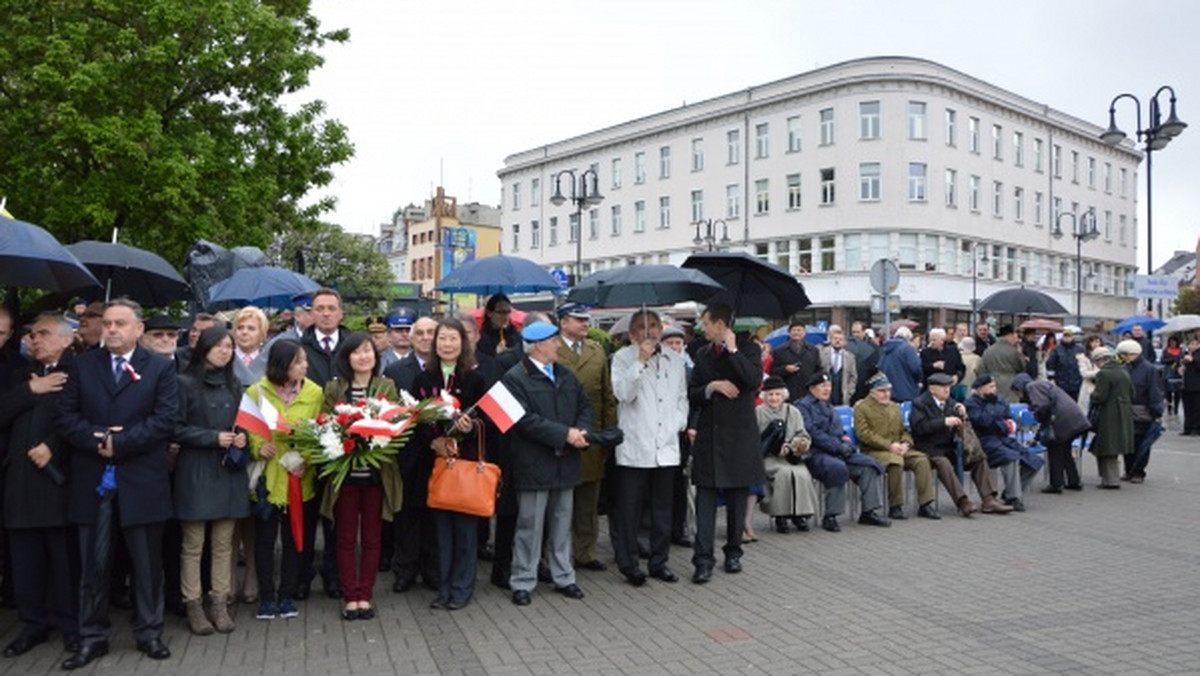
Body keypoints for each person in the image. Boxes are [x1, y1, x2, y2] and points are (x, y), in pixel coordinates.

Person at [57, 299, 179, 668]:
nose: (111, 329)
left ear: (138, 330)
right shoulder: (82, 366)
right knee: (93, 563)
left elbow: (165, 419)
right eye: (107, 323)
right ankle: (92, 636)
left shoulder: (159, 369)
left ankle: (149, 632)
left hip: (142, 480)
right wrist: (98, 439)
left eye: (120, 323)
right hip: (92, 479)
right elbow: (65, 417)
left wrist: (120, 443)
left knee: (146, 564)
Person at [0, 314, 78, 657]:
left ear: (66, 339)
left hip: (58, 484)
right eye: (31, 335)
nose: (35, 339)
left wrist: (54, 447)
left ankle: (71, 627)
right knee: (24, 562)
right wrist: (30, 390)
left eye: (43, 334)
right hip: (19, 482)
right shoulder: (20, 375)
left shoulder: (80, 373)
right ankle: (32, 626)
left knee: (63, 562)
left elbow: (84, 418)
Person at [503, 322, 592, 606]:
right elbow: (522, 421)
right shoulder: (514, 378)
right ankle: (522, 581)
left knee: (562, 522)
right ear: (539, 345)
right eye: (554, 340)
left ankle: (564, 576)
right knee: (529, 524)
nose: (558, 345)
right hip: (533, 463)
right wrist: (565, 434)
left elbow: (585, 406)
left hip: (565, 461)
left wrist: (582, 430)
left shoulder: (565, 374)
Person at [318, 334, 402, 620]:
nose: (363, 356)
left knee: (371, 539)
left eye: (368, 350)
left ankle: (365, 595)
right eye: (356, 352)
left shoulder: (386, 386)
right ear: (346, 358)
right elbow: (323, 426)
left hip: (376, 477)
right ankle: (349, 596)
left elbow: (396, 424)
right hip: (344, 477)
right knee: (343, 539)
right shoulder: (335, 389)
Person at [172, 326, 249, 635]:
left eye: (229, 346)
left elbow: (244, 423)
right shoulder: (184, 383)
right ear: (203, 348)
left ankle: (220, 601)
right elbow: (174, 428)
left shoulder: (235, 384)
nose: (225, 350)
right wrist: (213, 438)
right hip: (196, 470)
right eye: (218, 345)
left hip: (228, 472)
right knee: (193, 544)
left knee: (223, 544)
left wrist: (241, 438)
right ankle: (192, 603)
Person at [410, 320, 486, 611]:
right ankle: (443, 588)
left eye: (453, 338)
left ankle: (462, 588)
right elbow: (414, 420)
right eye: (442, 338)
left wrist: (467, 429)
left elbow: (486, 422)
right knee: (440, 531)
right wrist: (434, 441)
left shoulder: (475, 379)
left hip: (465, 465)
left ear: (463, 343)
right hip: (437, 465)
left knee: (465, 530)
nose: (447, 344)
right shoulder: (423, 379)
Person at [610, 310, 687, 586]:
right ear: (632, 335)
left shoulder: (675, 360)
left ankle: (659, 562)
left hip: (666, 447)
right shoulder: (622, 359)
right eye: (642, 328)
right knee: (630, 510)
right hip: (635, 447)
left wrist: (676, 424)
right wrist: (640, 362)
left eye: (654, 326)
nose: (649, 332)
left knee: (663, 510)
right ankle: (629, 564)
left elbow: (681, 399)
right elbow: (623, 394)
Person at [246, 340, 321, 621]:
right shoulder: (257, 391)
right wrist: (257, 447)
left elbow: (319, 433)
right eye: (299, 361)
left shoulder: (314, 392)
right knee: (265, 542)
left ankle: (286, 595)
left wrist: (306, 460)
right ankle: (267, 597)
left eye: (304, 360)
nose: (305, 365)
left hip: (298, 477)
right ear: (283, 364)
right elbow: (248, 428)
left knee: (294, 541)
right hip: (267, 478)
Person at [688, 304, 763, 583]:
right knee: (705, 500)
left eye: (705, 323)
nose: (702, 328)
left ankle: (733, 552)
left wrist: (733, 351)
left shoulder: (749, 348)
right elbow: (692, 393)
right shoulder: (703, 353)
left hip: (739, 437)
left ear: (720, 324)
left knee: (736, 500)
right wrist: (711, 387)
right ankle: (703, 559)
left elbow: (754, 380)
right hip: (710, 435)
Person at [554, 304, 616, 573]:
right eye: (579, 320)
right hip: (560, 436)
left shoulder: (596, 350)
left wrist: (608, 436)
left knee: (588, 501)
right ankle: (556, 553)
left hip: (592, 436)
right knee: (559, 501)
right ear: (563, 322)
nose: (584, 324)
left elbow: (607, 396)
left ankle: (585, 552)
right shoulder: (551, 349)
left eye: (586, 320)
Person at [297, 288, 349, 599]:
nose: (326, 313)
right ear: (311, 314)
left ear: (341, 313)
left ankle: (334, 574)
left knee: (336, 517)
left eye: (332, 308)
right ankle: (302, 575)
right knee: (306, 512)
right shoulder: (297, 347)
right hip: (307, 443)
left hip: (343, 445)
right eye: (320, 308)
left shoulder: (352, 344)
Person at [384, 315, 441, 593]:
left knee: (432, 516)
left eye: (431, 332)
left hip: (437, 455)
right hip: (407, 455)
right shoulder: (396, 371)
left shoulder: (445, 370)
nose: (425, 337)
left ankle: (431, 570)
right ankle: (405, 569)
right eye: (420, 332)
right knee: (406, 516)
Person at [796, 372, 890, 531]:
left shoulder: (828, 406)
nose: (827, 389)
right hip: (817, 453)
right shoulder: (802, 407)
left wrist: (846, 442)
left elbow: (840, 431)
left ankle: (868, 511)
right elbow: (812, 433)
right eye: (822, 386)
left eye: (829, 386)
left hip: (838, 451)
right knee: (837, 468)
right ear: (812, 388)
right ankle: (831, 516)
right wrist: (837, 446)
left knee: (869, 466)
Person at [910, 373, 1013, 516]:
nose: (947, 390)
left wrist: (962, 414)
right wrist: (943, 422)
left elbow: (961, 424)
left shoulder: (951, 402)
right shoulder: (920, 403)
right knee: (943, 463)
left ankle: (989, 499)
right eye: (942, 387)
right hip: (930, 448)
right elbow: (919, 427)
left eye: (948, 387)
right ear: (932, 389)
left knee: (978, 458)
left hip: (950, 446)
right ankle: (963, 501)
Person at [852, 373, 938, 520]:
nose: (886, 394)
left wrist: (906, 443)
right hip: (875, 451)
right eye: (882, 391)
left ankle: (925, 504)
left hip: (898, 448)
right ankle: (895, 506)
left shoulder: (894, 407)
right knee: (895, 462)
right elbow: (864, 434)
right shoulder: (862, 408)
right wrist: (889, 445)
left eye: (888, 390)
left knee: (922, 460)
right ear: (872, 392)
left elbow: (904, 430)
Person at [964, 375, 1042, 511]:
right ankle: (1014, 498)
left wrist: (1002, 425)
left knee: (1034, 461)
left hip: (1004, 439)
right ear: (980, 389)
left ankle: (1009, 493)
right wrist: (992, 408)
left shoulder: (999, 401)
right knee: (1010, 458)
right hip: (985, 442)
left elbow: (1012, 421)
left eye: (994, 386)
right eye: (990, 387)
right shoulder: (972, 404)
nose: (994, 390)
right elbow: (983, 422)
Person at [755, 377, 818, 533]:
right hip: (768, 457)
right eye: (770, 394)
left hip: (791, 457)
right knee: (783, 474)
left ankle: (799, 515)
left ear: (783, 396)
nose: (774, 398)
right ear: (764, 396)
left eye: (778, 394)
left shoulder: (793, 411)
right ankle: (780, 516)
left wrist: (793, 446)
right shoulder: (757, 412)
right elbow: (753, 439)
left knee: (801, 474)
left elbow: (803, 435)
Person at [1011, 373, 1091, 494]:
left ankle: (1056, 484)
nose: (1019, 396)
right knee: (1064, 451)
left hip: (1063, 421)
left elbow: (1042, 407)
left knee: (1055, 450)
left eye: (1017, 392)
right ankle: (1074, 481)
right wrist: (1037, 437)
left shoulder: (1032, 387)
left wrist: (1036, 415)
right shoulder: (1041, 385)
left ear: (1019, 387)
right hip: (1073, 419)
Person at [1118, 339, 1164, 483]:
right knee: (1127, 442)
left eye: (1125, 354)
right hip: (1127, 410)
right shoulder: (1125, 367)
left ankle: (1139, 471)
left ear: (1132, 354)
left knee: (1141, 443)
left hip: (1143, 410)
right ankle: (1129, 469)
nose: (1123, 357)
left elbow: (1154, 391)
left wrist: (1156, 410)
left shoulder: (1149, 369)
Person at [1088, 347, 1134, 488]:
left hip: (1109, 414)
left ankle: (1110, 480)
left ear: (1100, 361)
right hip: (1124, 413)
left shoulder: (1104, 374)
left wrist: (1092, 394)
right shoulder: (1123, 372)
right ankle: (1110, 478)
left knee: (1107, 445)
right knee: (1113, 445)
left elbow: (1100, 396)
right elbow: (1132, 392)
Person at [770, 319, 820, 402]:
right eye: (794, 330)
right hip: (789, 391)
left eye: (799, 330)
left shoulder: (813, 350)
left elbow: (818, 370)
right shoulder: (780, 351)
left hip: (807, 391)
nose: (796, 333)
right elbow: (773, 371)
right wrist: (785, 369)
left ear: (804, 333)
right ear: (789, 333)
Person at [981, 325, 1027, 403]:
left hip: (992, 384)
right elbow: (1021, 367)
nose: (1015, 339)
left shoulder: (988, 351)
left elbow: (982, 369)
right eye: (1014, 336)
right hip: (1011, 386)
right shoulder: (1013, 351)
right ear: (1009, 336)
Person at [877, 326, 923, 404]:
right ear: (908, 338)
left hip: (889, 391)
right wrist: (919, 379)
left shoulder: (885, 349)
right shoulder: (907, 349)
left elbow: (880, 367)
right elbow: (916, 369)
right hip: (907, 391)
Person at [818, 325, 857, 406]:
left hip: (842, 394)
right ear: (831, 340)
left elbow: (853, 377)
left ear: (844, 342)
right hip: (825, 393)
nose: (838, 341)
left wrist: (849, 392)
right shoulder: (822, 354)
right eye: (835, 339)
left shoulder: (850, 357)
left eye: (840, 339)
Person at [232, 306, 270, 387]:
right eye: (240, 328)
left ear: (262, 334)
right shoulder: (226, 358)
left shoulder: (269, 360)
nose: (244, 332)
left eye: (251, 328)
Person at [476, 293, 523, 358]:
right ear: (489, 313)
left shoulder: (515, 335)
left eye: (508, 312)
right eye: (501, 312)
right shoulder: (482, 339)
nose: (506, 317)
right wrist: (496, 355)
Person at [1045, 328, 1085, 402]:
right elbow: (1050, 364)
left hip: (1076, 383)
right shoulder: (1056, 349)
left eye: (1069, 336)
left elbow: (1084, 363)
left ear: (1072, 337)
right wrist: (1051, 378)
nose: (1067, 338)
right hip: (1061, 383)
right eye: (1065, 336)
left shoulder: (1080, 349)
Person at [846, 321, 880, 404]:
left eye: (858, 332)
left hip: (865, 385)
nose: (855, 335)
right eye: (853, 332)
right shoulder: (848, 345)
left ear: (864, 332)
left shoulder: (872, 346)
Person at [1177, 338, 1200, 436]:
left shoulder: (1197, 355)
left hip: (1197, 385)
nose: (1192, 346)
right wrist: (1180, 369)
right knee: (1187, 407)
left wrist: (1193, 360)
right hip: (1185, 384)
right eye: (1191, 344)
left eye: (1195, 344)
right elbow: (1179, 364)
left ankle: (1196, 428)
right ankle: (1188, 427)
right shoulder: (1185, 354)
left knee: (1196, 408)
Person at [1077, 335, 1105, 408]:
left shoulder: (1106, 355)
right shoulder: (1083, 357)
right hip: (1088, 387)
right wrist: (1100, 372)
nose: (1095, 344)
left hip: (1102, 386)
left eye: (1097, 341)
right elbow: (1084, 373)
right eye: (1092, 342)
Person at [1160, 336, 1185, 419]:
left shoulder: (1181, 351)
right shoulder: (1166, 351)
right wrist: (1171, 360)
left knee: (1178, 392)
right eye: (1171, 342)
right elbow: (1162, 360)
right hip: (1168, 373)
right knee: (1168, 392)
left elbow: (1183, 360)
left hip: (1177, 373)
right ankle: (1169, 408)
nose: (1172, 344)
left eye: (1174, 342)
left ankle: (1176, 408)